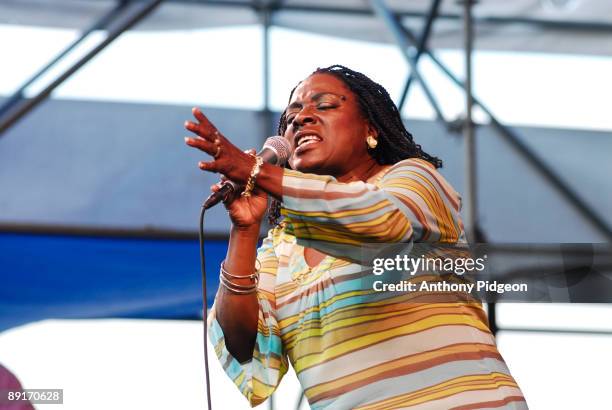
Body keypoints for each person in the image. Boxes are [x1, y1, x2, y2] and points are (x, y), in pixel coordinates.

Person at [184, 65, 527, 409]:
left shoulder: (414, 179)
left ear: (371, 129)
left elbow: (383, 225)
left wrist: (259, 171)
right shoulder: (283, 245)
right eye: (292, 115)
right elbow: (245, 343)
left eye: (326, 105)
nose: (302, 118)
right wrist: (243, 231)